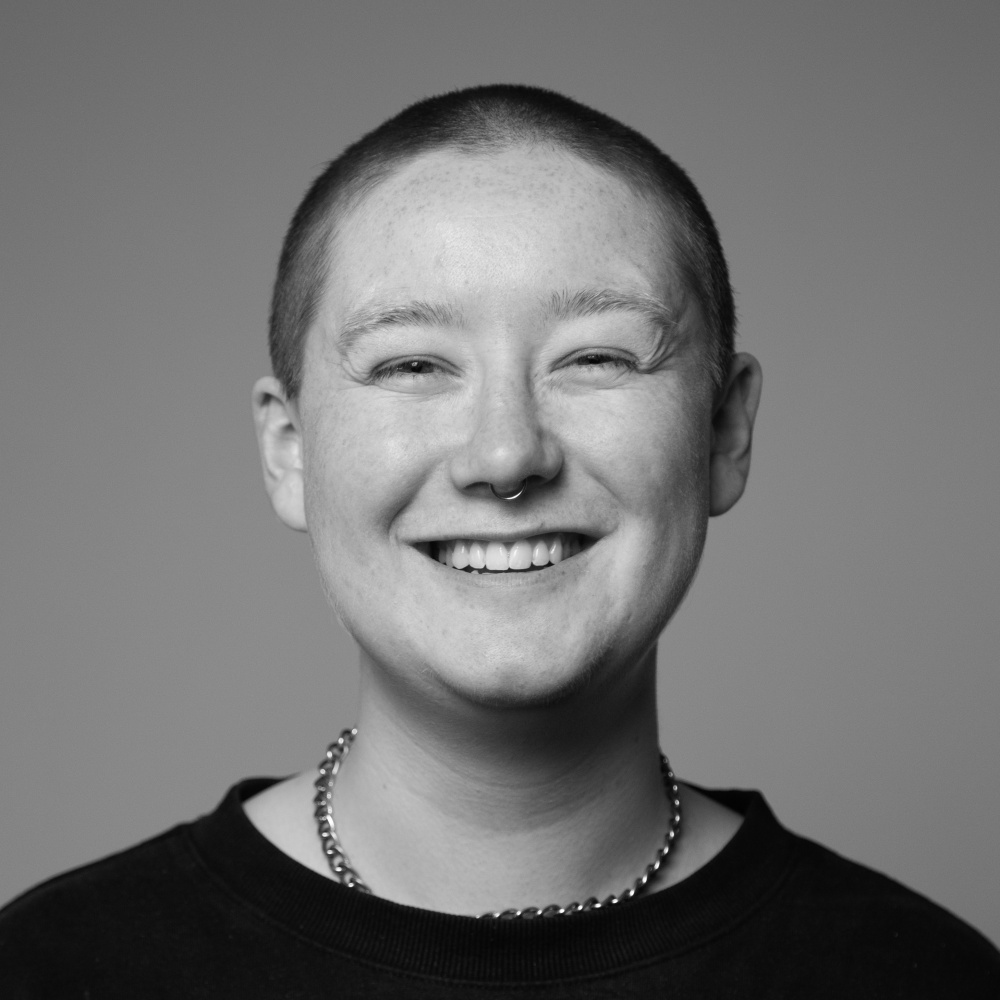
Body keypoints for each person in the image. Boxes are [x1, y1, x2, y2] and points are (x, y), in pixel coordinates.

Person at [1, 84, 996, 998]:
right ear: (289, 449)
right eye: (413, 363)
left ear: (723, 433)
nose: (505, 453)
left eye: (596, 357)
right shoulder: (53, 969)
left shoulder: (924, 977)